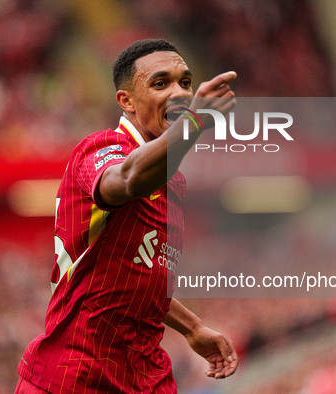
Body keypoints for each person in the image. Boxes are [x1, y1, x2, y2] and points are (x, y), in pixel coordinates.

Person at [16, 38, 238, 393]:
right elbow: (129, 177)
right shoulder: (101, 150)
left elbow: (136, 278)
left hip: (145, 377)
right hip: (74, 376)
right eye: (161, 83)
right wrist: (195, 120)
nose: (180, 93)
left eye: (185, 82)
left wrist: (192, 327)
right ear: (127, 101)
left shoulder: (172, 181)